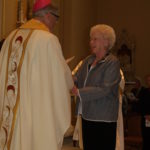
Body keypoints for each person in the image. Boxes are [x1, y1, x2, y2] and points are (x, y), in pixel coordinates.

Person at [0, 0, 73, 150]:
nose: (55, 23)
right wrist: (70, 83)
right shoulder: (48, 40)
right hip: (35, 110)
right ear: (47, 15)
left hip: (10, 110)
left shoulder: (10, 37)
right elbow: (61, 75)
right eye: (55, 18)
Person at [72, 24, 121, 150]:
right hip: (87, 115)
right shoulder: (88, 60)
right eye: (91, 39)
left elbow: (105, 89)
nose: (91, 42)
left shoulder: (112, 62)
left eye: (95, 39)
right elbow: (76, 78)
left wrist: (79, 92)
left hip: (103, 118)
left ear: (106, 42)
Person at [139, 74, 150, 150]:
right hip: (145, 119)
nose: (149, 82)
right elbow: (140, 105)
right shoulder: (144, 92)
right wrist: (145, 115)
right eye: (148, 80)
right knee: (146, 139)